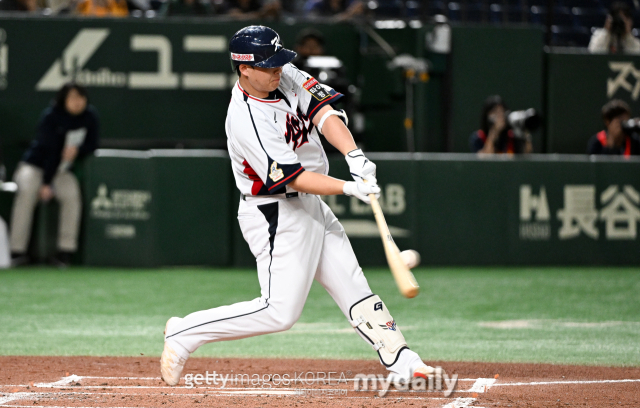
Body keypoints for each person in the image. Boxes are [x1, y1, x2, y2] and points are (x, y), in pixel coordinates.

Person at [160, 25, 434, 387]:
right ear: (244, 69)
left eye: (278, 63)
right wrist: (348, 187)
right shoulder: (245, 118)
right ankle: (185, 332)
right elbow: (292, 177)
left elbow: (324, 113)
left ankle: (403, 362)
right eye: (268, 65)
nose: (278, 70)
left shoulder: (281, 74)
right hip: (274, 212)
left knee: (354, 286)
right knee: (279, 312)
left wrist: (354, 155)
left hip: (310, 203)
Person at [9, 83, 99, 267]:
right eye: (72, 98)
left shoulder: (90, 117)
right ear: (63, 99)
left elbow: (92, 144)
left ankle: (65, 252)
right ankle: (16, 251)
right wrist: (46, 184)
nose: (77, 102)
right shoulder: (50, 117)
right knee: (26, 192)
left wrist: (78, 150)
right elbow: (49, 151)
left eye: (80, 98)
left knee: (72, 194)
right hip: (34, 167)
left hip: (61, 171)